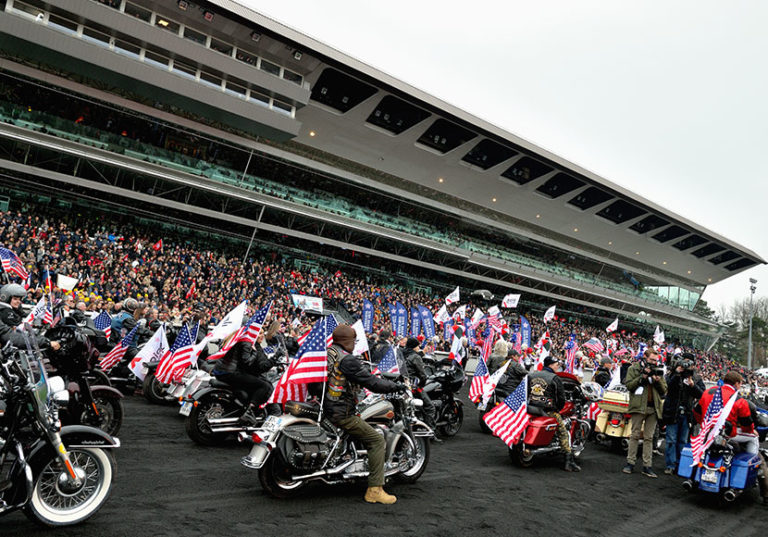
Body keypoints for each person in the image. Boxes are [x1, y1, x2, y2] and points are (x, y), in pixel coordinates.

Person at [324, 324, 406, 505]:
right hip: (341, 412)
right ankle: (375, 489)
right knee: (376, 440)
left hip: (326, 408)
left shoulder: (328, 353)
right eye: (353, 340)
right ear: (348, 341)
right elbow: (371, 383)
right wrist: (396, 386)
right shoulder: (347, 360)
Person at [211, 331, 280, 423]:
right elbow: (247, 362)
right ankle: (249, 412)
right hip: (231, 373)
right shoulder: (247, 342)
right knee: (265, 386)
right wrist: (256, 353)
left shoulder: (233, 337)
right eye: (259, 333)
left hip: (221, 371)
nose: (262, 335)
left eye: (263, 333)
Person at [527, 355, 581, 472]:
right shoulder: (554, 378)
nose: (558, 366)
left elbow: (525, 392)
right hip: (547, 410)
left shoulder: (532, 375)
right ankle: (568, 461)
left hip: (531, 408)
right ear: (550, 365)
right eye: (557, 364)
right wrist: (557, 409)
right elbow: (561, 398)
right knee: (563, 432)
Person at [623, 349, 667, 478]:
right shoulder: (634, 369)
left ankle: (647, 466)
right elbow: (629, 386)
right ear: (645, 358)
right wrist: (642, 377)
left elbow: (664, 390)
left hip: (654, 408)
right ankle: (630, 463)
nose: (654, 362)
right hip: (638, 407)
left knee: (649, 437)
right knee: (635, 435)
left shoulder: (659, 371)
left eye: (656, 360)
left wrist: (657, 380)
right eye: (652, 360)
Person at [661, 353, 704, 474]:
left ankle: (681, 464)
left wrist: (692, 385)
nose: (686, 365)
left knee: (682, 441)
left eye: (689, 363)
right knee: (671, 440)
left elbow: (702, 394)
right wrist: (677, 373)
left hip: (687, 412)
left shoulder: (696, 377)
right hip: (672, 411)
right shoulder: (673, 373)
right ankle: (670, 465)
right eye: (684, 362)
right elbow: (666, 387)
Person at [0, 283, 60, 350]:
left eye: (19, 299)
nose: (18, 302)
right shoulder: (6, 313)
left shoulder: (14, 310)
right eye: (15, 299)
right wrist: (45, 342)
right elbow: (15, 334)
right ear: (5, 298)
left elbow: (24, 316)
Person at [402, 337, 437, 436]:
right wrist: (421, 385)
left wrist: (423, 352)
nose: (419, 347)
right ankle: (430, 432)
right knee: (430, 407)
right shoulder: (415, 357)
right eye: (418, 346)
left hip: (402, 385)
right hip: (412, 386)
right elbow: (422, 375)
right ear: (414, 347)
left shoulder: (402, 354)